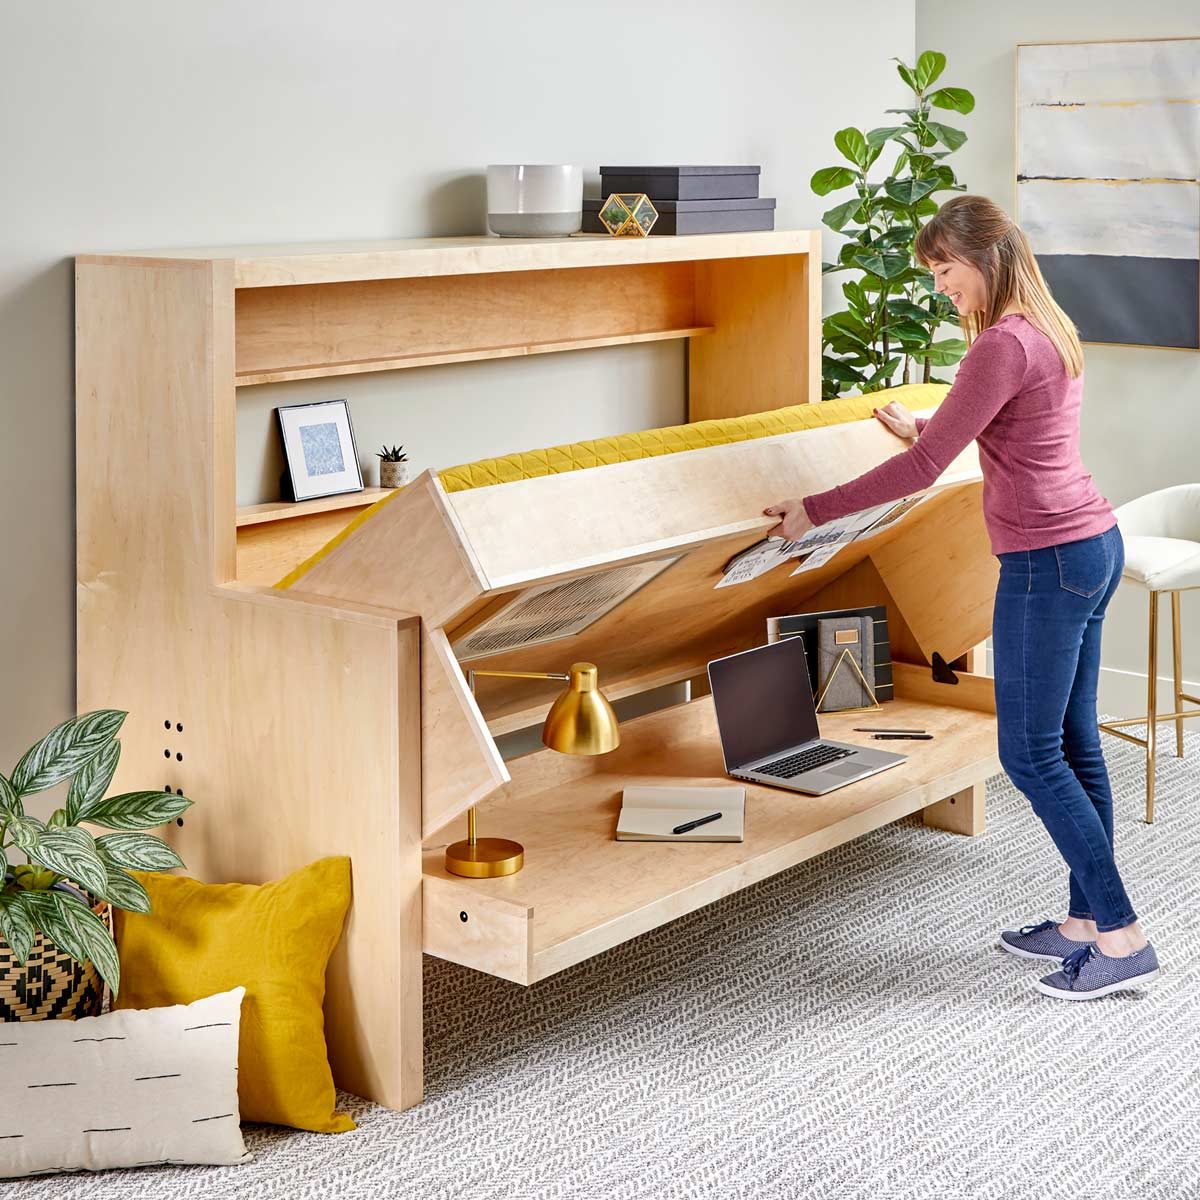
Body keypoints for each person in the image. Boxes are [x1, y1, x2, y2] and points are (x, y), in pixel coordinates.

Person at [764, 194, 1159, 1001]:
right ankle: (1085, 922)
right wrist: (932, 427)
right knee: (1075, 743)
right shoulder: (1046, 326)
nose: (940, 285)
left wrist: (811, 510)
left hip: (1046, 562)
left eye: (945, 269)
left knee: (1029, 753)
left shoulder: (998, 346)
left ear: (983, 259)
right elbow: (1011, 430)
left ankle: (1120, 934)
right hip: (1092, 543)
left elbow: (919, 474)